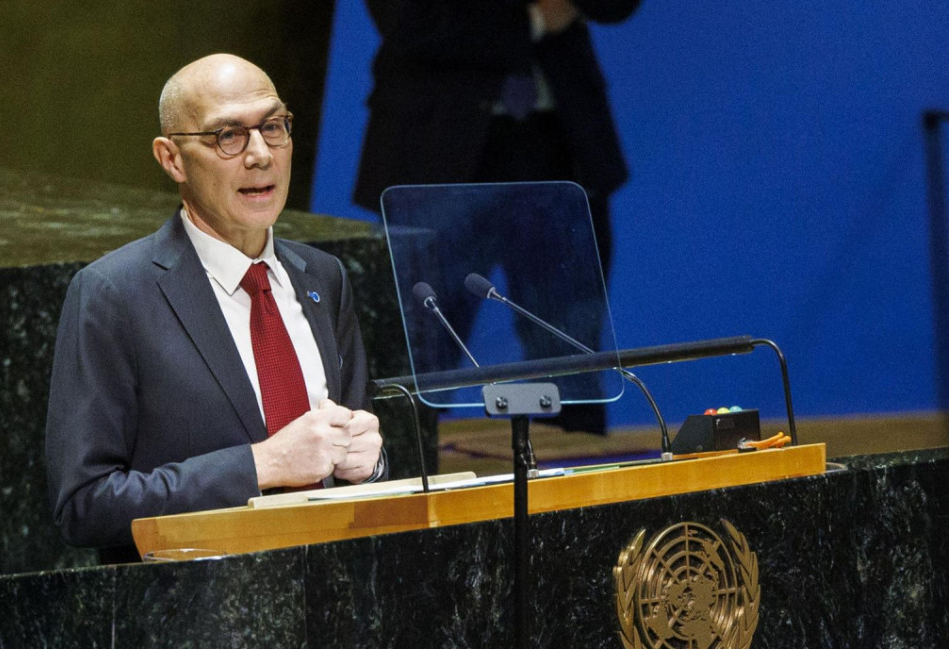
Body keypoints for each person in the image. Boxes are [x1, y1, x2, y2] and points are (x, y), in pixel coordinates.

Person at [46, 54, 385, 560]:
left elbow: (355, 452)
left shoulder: (324, 278)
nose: (260, 154)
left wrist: (371, 464)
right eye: (227, 135)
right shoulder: (113, 295)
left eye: (273, 127)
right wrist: (260, 466)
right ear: (171, 158)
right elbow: (84, 504)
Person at [354, 0, 640, 434]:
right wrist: (536, 20)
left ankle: (579, 499)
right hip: (436, 155)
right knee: (415, 361)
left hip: (562, 145)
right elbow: (412, 20)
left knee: (571, 361)